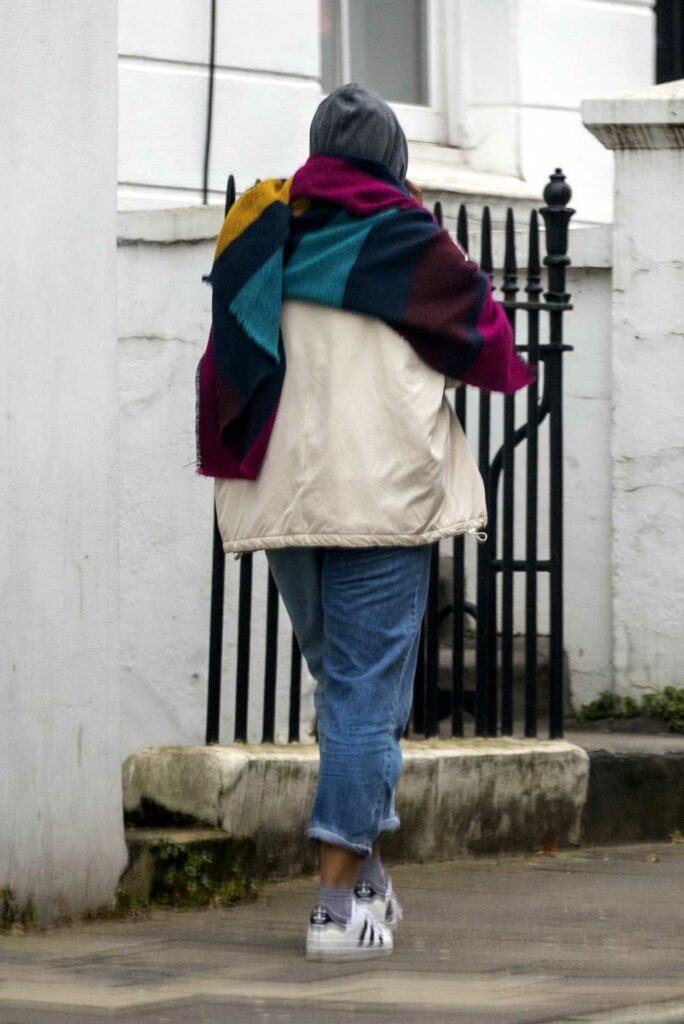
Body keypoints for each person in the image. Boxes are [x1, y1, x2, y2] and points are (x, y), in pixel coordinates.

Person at [196, 83, 534, 961]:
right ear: (393, 159)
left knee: (345, 692)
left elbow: (226, 364)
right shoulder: (404, 242)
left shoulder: (260, 235)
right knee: (363, 699)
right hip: (381, 498)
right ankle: (336, 912)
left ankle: (368, 875)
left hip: (288, 497)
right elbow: (494, 352)